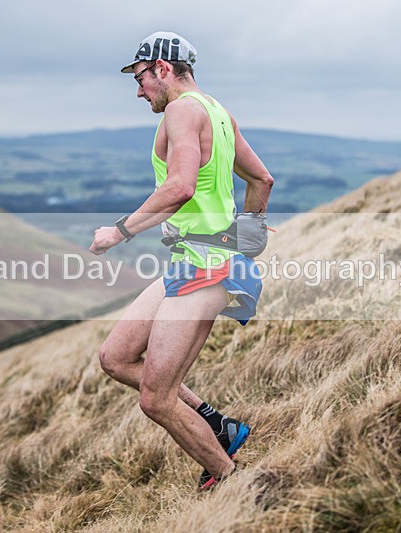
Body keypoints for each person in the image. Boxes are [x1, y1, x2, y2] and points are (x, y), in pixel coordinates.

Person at [89, 31, 274, 491]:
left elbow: (180, 187)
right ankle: (217, 424)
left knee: (155, 399)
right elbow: (262, 179)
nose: (138, 89)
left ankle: (232, 482)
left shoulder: (182, 110)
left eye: (140, 76)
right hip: (196, 260)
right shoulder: (216, 111)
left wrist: (120, 231)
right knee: (115, 357)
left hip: (206, 268)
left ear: (163, 68)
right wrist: (246, 233)